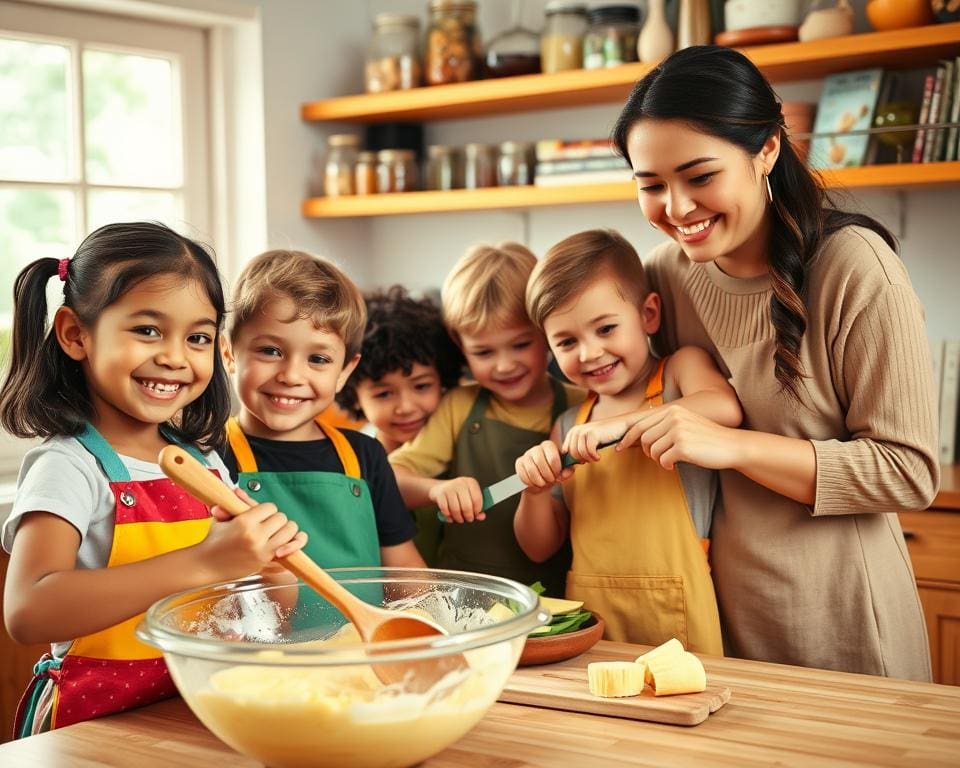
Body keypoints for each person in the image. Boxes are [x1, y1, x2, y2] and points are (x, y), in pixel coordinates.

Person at [598, 45, 938, 680]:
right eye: (651, 185)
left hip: (845, 621)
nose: (676, 209)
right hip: (715, 621)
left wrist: (732, 444)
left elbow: (908, 471)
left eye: (700, 177)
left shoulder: (855, 268)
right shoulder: (665, 276)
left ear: (767, 151)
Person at [0, 222, 306, 736]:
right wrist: (204, 561)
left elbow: (273, 609)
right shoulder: (70, 466)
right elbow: (28, 611)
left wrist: (272, 567)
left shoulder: (204, 461)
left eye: (198, 337)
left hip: (201, 712)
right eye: (147, 330)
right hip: (96, 728)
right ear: (76, 334)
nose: (174, 356)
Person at [514, 229, 742, 651]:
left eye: (605, 328)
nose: (589, 353)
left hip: (678, 611)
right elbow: (539, 547)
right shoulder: (568, 424)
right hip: (594, 618)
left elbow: (724, 407)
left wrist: (619, 426)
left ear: (648, 314)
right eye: (567, 341)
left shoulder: (678, 373)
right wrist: (535, 493)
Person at [389, 243, 585, 596]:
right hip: (458, 598)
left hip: (552, 600)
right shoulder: (459, 406)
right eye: (483, 351)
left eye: (520, 344)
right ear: (459, 344)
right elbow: (390, 479)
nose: (504, 365)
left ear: (545, 330)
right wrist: (436, 489)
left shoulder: (581, 407)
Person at [220, 250, 425, 571]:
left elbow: (406, 571)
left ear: (344, 371)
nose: (291, 376)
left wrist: (432, 618)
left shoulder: (365, 456)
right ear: (229, 354)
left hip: (362, 624)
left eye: (318, 359)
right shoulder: (209, 456)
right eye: (270, 351)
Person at [336, 285, 464, 565]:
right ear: (353, 392)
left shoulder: (459, 441)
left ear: (443, 378)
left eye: (421, 386)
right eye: (384, 393)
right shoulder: (351, 459)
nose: (405, 407)